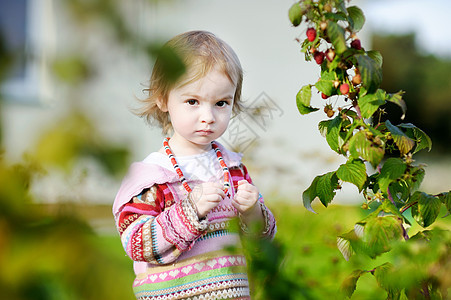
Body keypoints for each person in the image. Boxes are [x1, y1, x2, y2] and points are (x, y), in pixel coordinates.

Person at [113, 30, 276, 300]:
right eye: (192, 102)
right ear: (163, 99)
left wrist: (253, 213)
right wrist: (190, 210)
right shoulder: (152, 178)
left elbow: (260, 242)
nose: (208, 117)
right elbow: (137, 243)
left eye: (221, 103)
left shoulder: (234, 169)